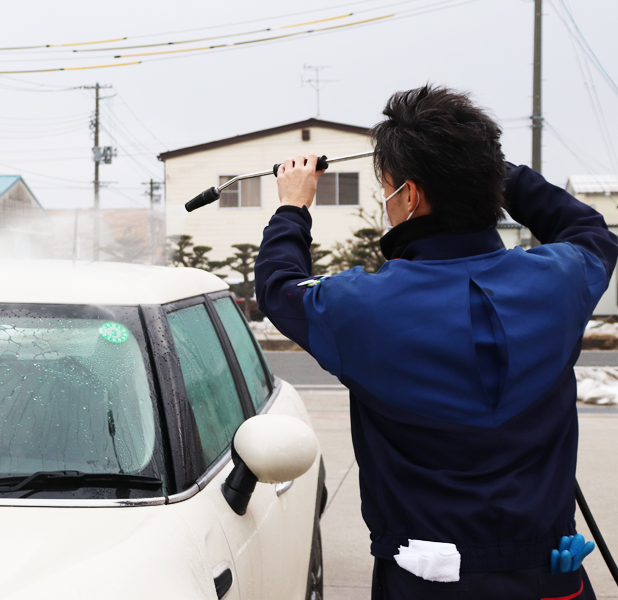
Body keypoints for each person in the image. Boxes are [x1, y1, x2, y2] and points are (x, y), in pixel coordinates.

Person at [254, 84, 617, 599]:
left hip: (422, 580)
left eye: (387, 187)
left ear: (410, 195)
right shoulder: (560, 279)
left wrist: (293, 207)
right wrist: (488, 172)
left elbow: (277, 286)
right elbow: (590, 230)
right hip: (548, 577)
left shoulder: (359, 307)